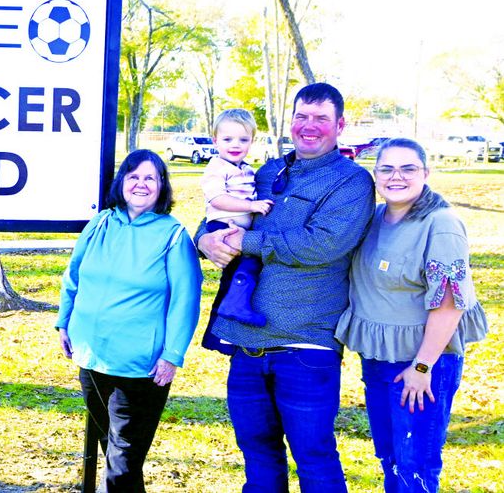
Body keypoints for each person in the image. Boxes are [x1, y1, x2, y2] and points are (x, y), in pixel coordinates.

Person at [196, 83, 375, 492]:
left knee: (314, 457)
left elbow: (323, 244)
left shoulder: (351, 182)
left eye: (321, 119)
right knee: (258, 456)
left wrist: (249, 242)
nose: (309, 126)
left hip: (305, 347)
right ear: (290, 121)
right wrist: (204, 240)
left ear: (339, 125)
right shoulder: (266, 172)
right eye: (301, 116)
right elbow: (225, 214)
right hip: (248, 345)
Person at [335, 138, 489, 493]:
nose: (396, 177)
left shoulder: (441, 223)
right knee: (389, 456)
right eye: (387, 168)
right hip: (378, 358)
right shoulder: (374, 218)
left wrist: (422, 368)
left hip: (422, 364)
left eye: (408, 168)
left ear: (426, 173)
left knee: (414, 464)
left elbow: (450, 303)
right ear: (375, 174)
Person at [57, 149, 203, 492]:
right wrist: (64, 321)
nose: (141, 184)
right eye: (133, 176)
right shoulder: (100, 223)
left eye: (150, 177)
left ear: (162, 186)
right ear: (121, 181)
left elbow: (186, 300)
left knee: (122, 462)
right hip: (90, 357)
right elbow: (73, 276)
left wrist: (172, 355)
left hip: (140, 368)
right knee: (118, 455)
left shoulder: (173, 235)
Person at [200, 108, 273, 330]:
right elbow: (217, 199)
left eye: (243, 139)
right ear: (215, 141)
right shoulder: (217, 168)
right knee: (246, 265)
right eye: (227, 139)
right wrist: (251, 206)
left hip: (240, 229)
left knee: (249, 265)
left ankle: (234, 306)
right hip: (223, 225)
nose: (235, 145)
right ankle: (234, 307)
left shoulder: (247, 169)